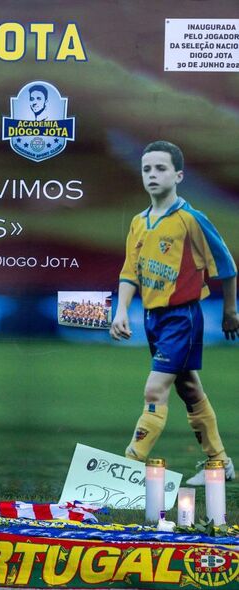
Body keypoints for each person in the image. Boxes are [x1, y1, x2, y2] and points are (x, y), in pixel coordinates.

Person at [111, 140, 236, 484]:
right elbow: (128, 271)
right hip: (154, 319)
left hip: (182, 317)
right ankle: (220, 463)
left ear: (178, 175)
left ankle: (129, 466)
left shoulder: (191, 220)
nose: (152, 175)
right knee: (190, 389)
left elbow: (226, 265)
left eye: (161, 168)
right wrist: (121, 310)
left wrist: (230, 310)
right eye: (147, 169)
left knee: (155, 390)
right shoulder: (139, 222)